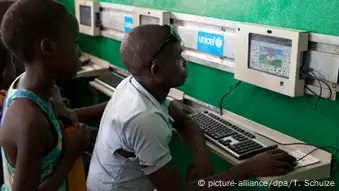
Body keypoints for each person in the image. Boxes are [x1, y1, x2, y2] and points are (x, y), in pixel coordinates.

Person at [86, 24, 297, 191]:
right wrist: (246, 170)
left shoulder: (135, 85)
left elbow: (185, 122)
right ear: (157, 70)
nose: (185, 62)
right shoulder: (143, 119)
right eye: (179, 57)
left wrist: (201, 155)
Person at [0, 0, 91, 190]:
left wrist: (60, 109)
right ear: (48, 48)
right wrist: (70, 155)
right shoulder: (30, 122)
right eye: (74, 44)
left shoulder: (27, 85)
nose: (80, 53)